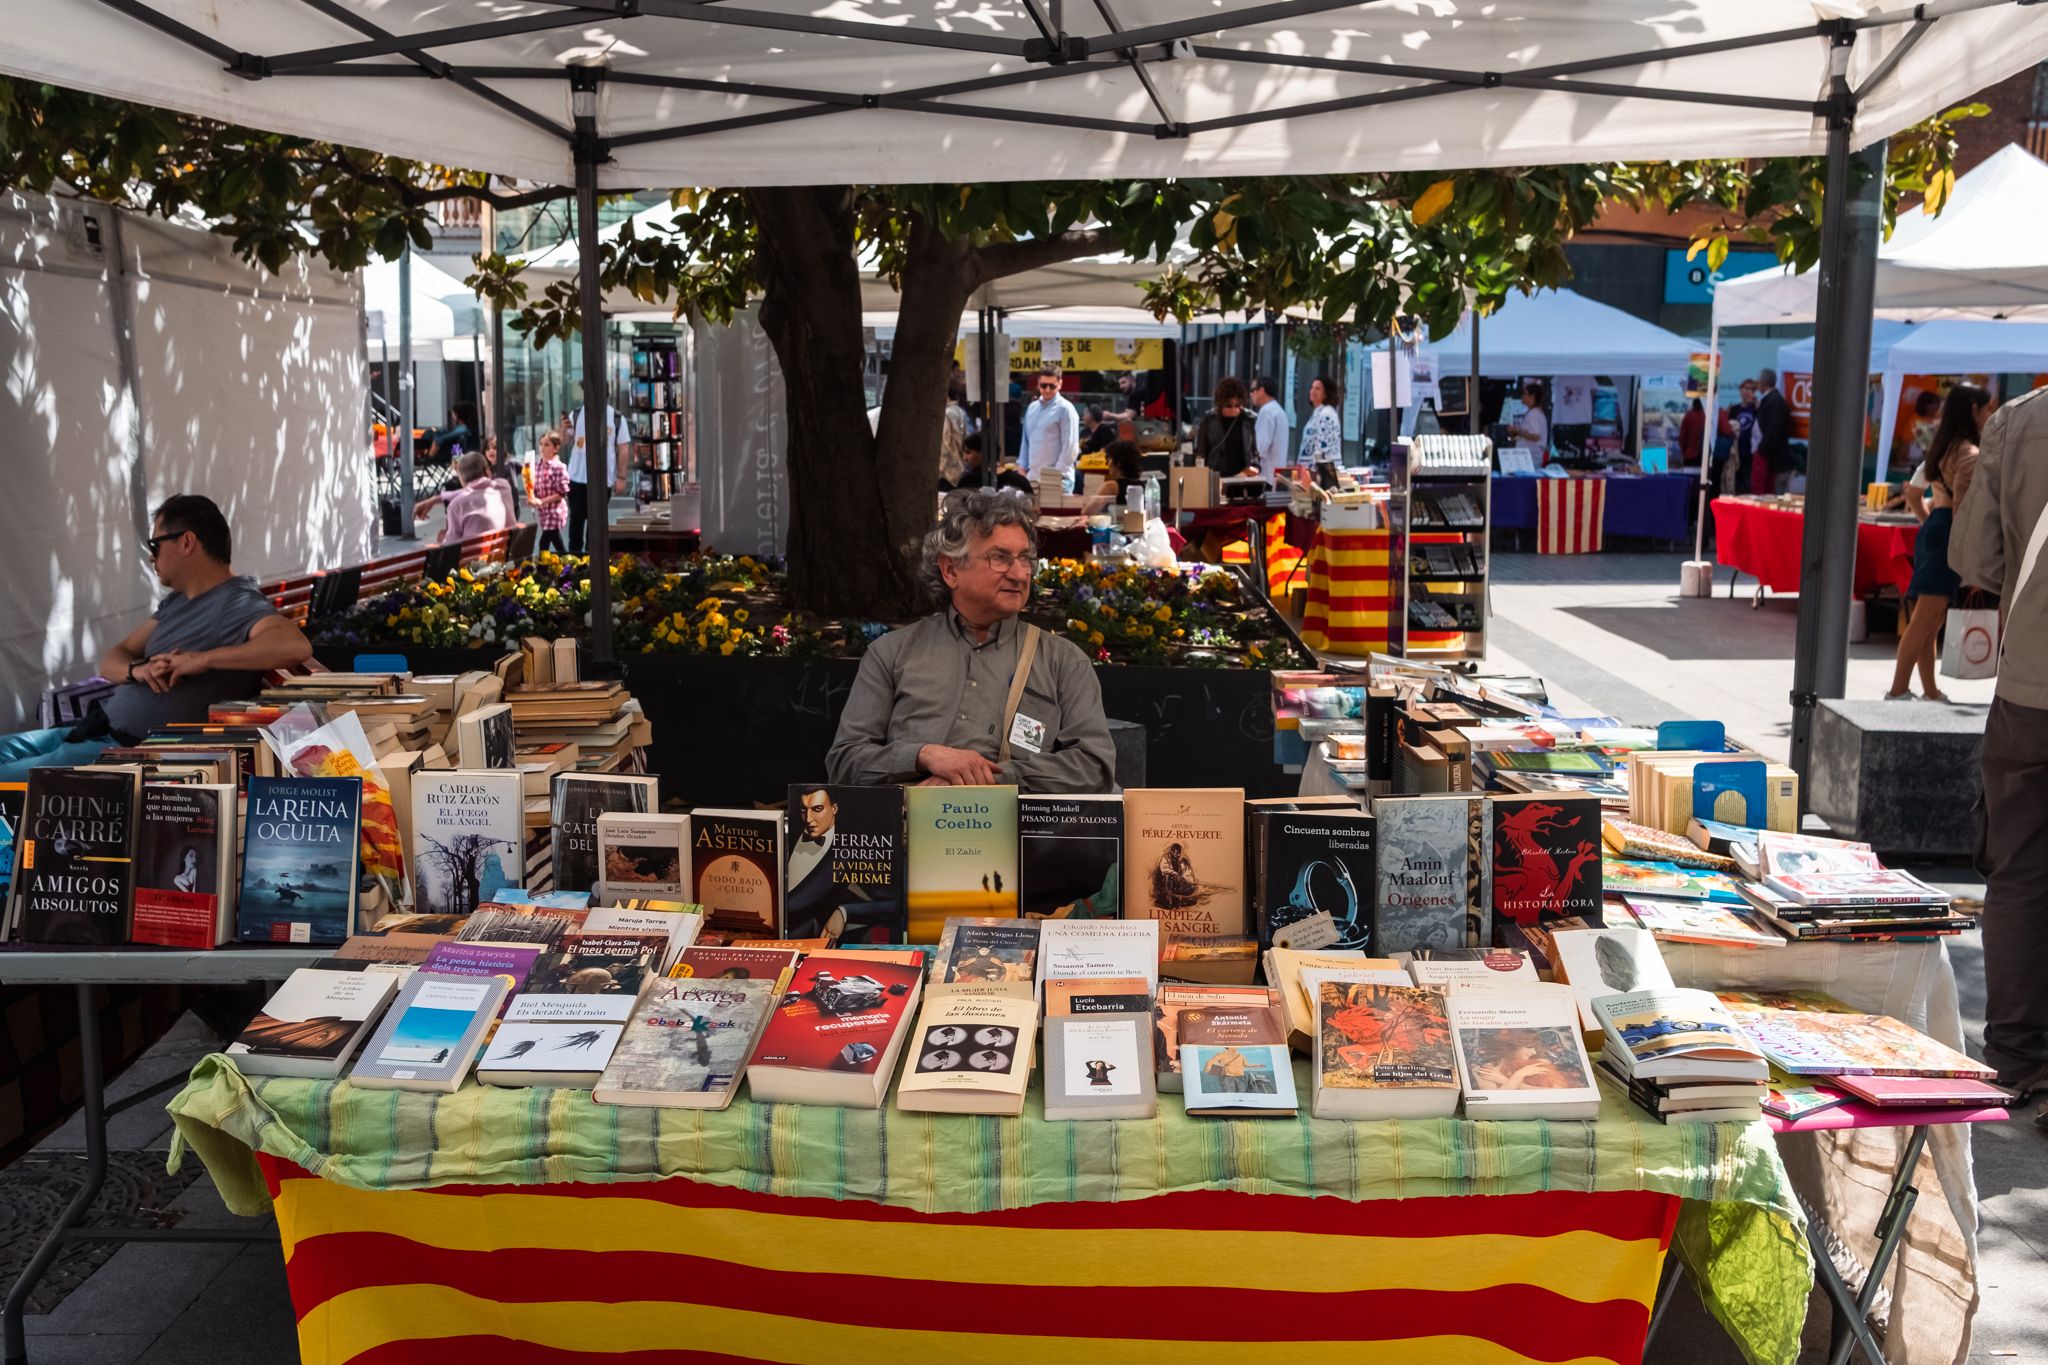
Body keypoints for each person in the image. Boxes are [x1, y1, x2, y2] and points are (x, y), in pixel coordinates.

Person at [0, 495, 314, 779]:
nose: (152, 557)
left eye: (155, 545)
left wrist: (202, 660)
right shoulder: (178, 601)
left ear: (187, 542)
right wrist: (139, 670)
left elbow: (294, 645)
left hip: (120, 754)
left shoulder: (234, 601)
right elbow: (113, 659)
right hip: (93, 731)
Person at [826, 490, 1115, 793]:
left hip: (1016, 837)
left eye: (1025, 559)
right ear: (950, 570)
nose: (1020, 574)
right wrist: (925, 756)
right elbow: (844, 763)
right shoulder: (892, 653)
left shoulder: (1063, 661)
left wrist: (987, 778)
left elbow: (1093, 767)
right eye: (1000, 559)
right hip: (910, 833)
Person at [1949, 384, 2048, 1105]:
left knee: (2016, 871)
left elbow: (1975, 560)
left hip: (2030, 685)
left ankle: (2013, 1051)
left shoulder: (2017, 421)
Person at [1887, 384, 1988, 701]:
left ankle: (1929, 691)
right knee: (1924, 621)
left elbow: (1914, 494)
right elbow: (1962, 509)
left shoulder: (1942, 447)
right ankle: (1899, 689)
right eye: (1987, 409)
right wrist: (1969, 553)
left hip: (1935, 527)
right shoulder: (1969, 452)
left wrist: (1928, 521)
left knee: (1929, 621)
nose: (1990, 415)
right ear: (1973, 409)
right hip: (1948, 531)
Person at [566, 403, 631, 555]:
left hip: (603, 478)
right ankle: (573, 559)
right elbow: (564, 440)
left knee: (596, 521)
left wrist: (621, 477)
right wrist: (563, 427)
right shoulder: (576, 414)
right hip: (577, 476)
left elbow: (623, 448)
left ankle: (593, 557)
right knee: (576, 518)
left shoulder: (616, 418)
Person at [431, 451, 517, 547]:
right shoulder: (504, 486)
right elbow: (478, 488)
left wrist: (443, 540)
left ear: (462, 479)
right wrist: (438, 498)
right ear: (487, 471)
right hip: (506, 554)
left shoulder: (456, 506)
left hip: (476, 560)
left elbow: (451, 547)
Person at [1019, 366, 1080, 488]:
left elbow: (1070, 448)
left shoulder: (1066, 409)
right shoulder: (1032, 408)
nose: (1047, 389)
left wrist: (1054, 476)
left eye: (1052, 386)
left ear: (1060, 384)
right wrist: (1022, 467)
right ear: (1038, 383)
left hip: (1059, 480)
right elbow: (1026, 442)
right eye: (1043, 385)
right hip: (1033, 478)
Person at [1192, 377, 1255, 475]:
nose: (1233, 409)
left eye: (1238, 405)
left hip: (1243, 476)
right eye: (1229, 406)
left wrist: (1254, 469)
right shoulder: (1208, 420)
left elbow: (1254, 452)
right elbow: (1200, 453)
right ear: (1220, 404)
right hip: (1215, 476)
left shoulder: (1249, 420)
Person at [530, 429, 571, 555]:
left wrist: (542, 501)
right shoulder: (536, 467)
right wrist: (532, 497)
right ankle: (569, 566)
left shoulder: (559, 467)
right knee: (557, 542)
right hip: (544, 512)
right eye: (541, 444)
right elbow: (534, 487)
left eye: (547, 444)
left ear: (555, 448)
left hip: (555, 511)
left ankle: (543, 569)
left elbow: (561, 493)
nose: (542, 447)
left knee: (544, 542)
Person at [1081, 439, 1145, 516]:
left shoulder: (1111, 486)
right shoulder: (1143, 485)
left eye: (1109, 459)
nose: (1107, 464)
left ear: (1118, 463)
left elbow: (1088, 512)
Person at [1755, 368, 1791, 493]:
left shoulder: (1774, 402)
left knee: (1773, 498)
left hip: (1775, 463)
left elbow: (1772, 432)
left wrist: (1761, 450)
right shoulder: (1772, 400)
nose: (1757, 382)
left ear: (1764, 382)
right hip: (1773, 461)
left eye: (1758, 380)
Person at [1250, 375, 1291, 478]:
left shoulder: (1266, 411)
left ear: (1262, 390)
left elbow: (1260, 448)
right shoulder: (1279, 410)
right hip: (1277, 474)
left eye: (1253, 390)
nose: (1251, 394)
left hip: (1266, 475)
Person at [1299, 375, 1343, 466]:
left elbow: (1324, 446)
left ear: (1326, 393)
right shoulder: (1318, 413)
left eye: (1318, 389)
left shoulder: (1327, 414)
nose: (1313, 391)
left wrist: (1315, 470)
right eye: (1312, 388)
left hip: (1322, 471)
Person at [940, 379, 970, 487]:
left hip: (946, 473)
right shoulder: (960, 412)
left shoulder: (945, 415)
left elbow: (946, 444)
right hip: (960, 469)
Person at [1510, 381, 1549, 458]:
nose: (1522, 396)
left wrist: (1517, 431)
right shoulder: (1534, 412)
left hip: (1530, 456)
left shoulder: (1534, 413)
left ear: (1532, 396)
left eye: (1524, 394)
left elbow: (1535, 436)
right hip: (1528, 455)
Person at [1678, 398, 1706, 468]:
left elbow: (1682, 438)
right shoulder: (1705, 416)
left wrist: (1685, 451)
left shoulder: (1688, 416)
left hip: (1689, 455)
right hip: (1702, 456)